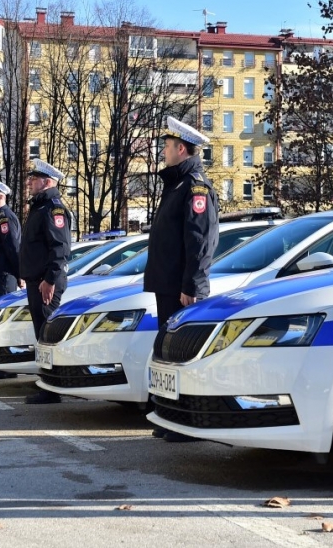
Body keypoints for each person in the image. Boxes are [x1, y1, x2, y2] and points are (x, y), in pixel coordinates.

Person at [144, 116, 218, 441]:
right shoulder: (175, 185)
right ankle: (170, 418)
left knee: (183, 357)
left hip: (182, 289)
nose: (163, 151)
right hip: (168, 284)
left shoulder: (195, 186)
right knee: (167, 357)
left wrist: (192, 285)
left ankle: (188, 422)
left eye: (167, 146)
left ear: (182, 149)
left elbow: (200, 240)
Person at [19, 158, 72, 404]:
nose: (29, 182)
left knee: (47, 335)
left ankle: (51, 388)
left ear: (47, 182)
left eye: (34, 178)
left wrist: (50, 279)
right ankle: (47, 382)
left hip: (45, 283)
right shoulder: (40, 207)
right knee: (42, 335)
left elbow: (60, 248)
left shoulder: (53, 208)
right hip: (37, 280)